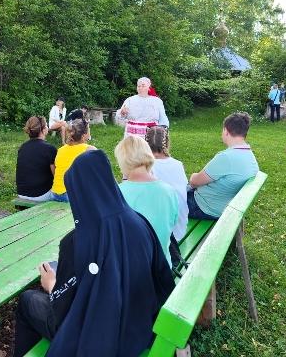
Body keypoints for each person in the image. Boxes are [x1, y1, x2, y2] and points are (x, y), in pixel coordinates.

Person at [13, 150, 175, 357]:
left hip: (97, 338)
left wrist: (51, 284)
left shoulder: (75, 242)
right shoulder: (140, 222)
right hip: (139, 326)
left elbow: (64, 311)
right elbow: (160, 278)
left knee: (27, 300)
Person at [115, 135, 179, 265]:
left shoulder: (117, 194)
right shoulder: (169, 191)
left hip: (131, 267)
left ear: (123, 160)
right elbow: (171, 224)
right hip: (163, 266)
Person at [188, 112, 259, 221]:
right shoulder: (249, 156)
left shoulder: (227, 157)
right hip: (224, 207)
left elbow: (194, 182)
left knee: (166, 198)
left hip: (203, 207)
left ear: (226, 131)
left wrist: (193, 176)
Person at [145, 126, 188, 241]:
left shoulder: (146, 167)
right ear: (167, 143)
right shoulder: (178, 164)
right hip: (180, 229)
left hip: (161, 234)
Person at [51, 119, 96, 202]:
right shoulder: (89, 149)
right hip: (70, 195)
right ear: (83, 136)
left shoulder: (60, 150)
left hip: (55, 193)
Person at [16, 116, 57, 202]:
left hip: (21, 193)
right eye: (46, 125)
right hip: (41, 195)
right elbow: (56, 175)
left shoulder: (22, 147)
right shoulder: (50, 149)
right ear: (43, 130)